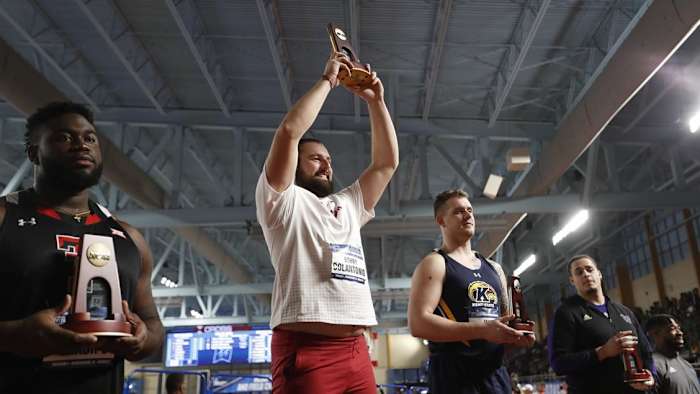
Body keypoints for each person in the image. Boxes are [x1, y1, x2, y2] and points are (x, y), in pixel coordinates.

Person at [255, 52, 398, 393]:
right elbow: (290, 131)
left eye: (329, 160)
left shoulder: (347, 204)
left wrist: (377, 102)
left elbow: (385, 164)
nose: (326, 165)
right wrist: (328, 82)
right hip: (307, 348)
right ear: (294, 164)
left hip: (356, 349)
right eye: (315, 159)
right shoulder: (281, 200)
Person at [0, 102, 164, 393]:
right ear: (33, 152)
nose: (81, 145)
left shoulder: (129, 238)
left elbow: (152, 323)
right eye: (63, 137)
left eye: (90, 138)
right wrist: (15, 335)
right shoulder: (4, 217)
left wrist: (142, 339)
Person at [408, 189, 535, 394]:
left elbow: (502, 324)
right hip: (454, 376)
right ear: (441, 221)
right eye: (458, 211)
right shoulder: (435, 263)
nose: (468, 215)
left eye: (470, 210)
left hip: (495, 376)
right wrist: (482, 330)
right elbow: (418, 323)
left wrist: (516, 336)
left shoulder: (495, 268)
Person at [548, 254, 655, 393]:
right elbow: (558, 363)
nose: (586, 274)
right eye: (579, 272)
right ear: (572, 280)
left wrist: (651, 376)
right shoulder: (565, 313)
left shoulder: (624, 311)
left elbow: (646, 352)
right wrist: (602, 352)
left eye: (589, 269)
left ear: (599, 274)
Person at [645, 314, 700, 394]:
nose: (680, 333)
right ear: (654, 334)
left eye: (679, 328)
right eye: (672, 329)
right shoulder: (654, 365)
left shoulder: (687, 364)